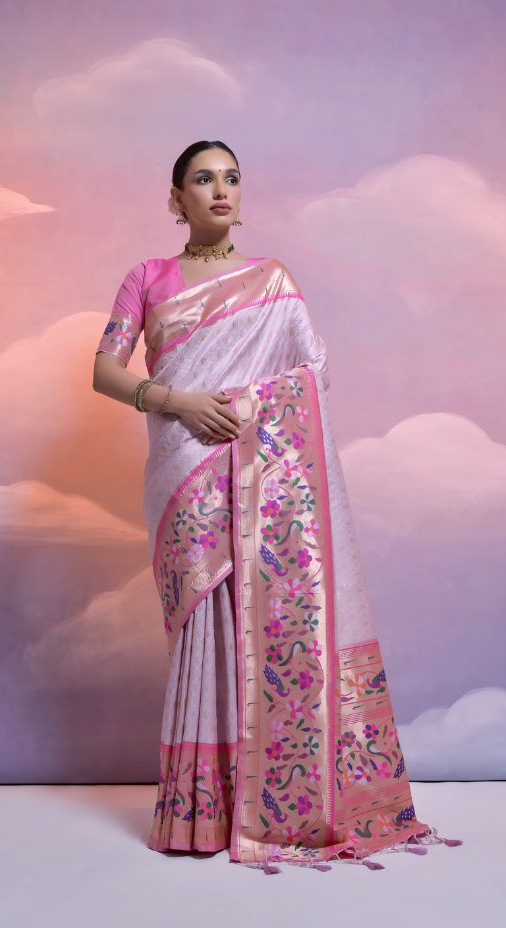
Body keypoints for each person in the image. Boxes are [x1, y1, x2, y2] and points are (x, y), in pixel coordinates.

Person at [93, 140, 449, 869]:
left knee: (263, 615)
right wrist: (177, 402)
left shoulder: (273, 281)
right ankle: (198, 812)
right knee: (202, 622)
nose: (220, 190)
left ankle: (271, 802)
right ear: (175, 199)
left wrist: (248, 409)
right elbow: (104, 369)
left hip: (260, 466)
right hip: (184, 467)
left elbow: (311, 373)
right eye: (202, 179)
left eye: (231, 178)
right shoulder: (148, 278)